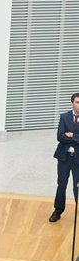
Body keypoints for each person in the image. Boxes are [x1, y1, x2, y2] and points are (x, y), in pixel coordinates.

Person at [50, 94, 79, 222]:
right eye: (77, 102)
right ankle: (58, 210)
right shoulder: (64, 117)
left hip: (78, 158)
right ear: (72, 103)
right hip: (64, 157)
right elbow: (60, 136)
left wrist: (71, 134)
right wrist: (76, 137)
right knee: (61, 185)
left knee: (77, 186)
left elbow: (65, 136)